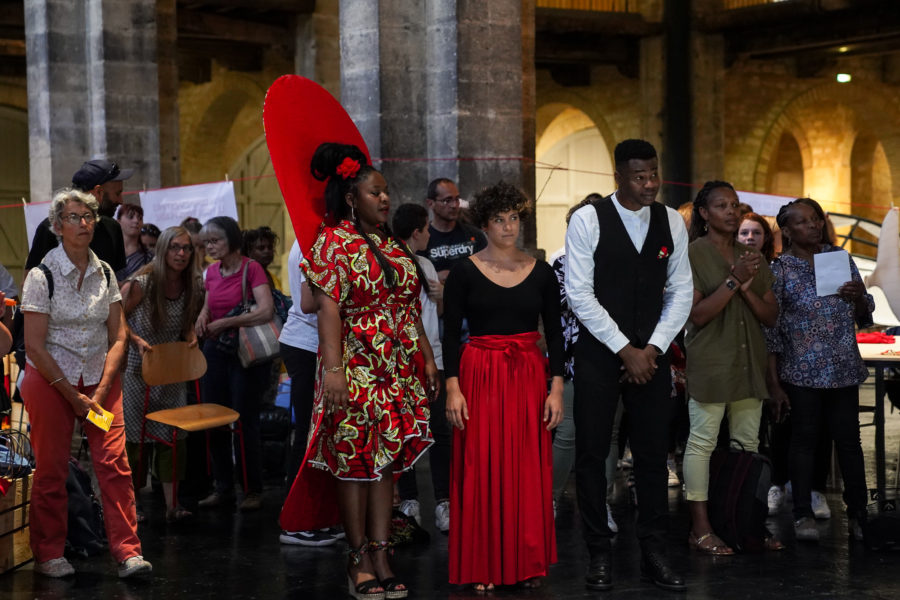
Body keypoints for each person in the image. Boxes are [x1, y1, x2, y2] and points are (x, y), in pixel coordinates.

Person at [280, 143, 438, 600]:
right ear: (352, 197)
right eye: (375, 192)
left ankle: (382, 554)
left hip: (397, 369)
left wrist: (425, 355)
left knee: (384, 462)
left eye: (386, 192)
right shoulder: (333, 241)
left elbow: (406, 306)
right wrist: (332, 371)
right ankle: (356, 561)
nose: (385, 199)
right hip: (355, 368)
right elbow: (327, 310)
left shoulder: (391, 243)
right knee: (354, 465)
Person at [565, 139, 692, 592]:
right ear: (618, 175)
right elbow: (579, 294)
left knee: (654, 456)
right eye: (640, 176)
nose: (650, 184)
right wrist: (626, 349)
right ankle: (598, 552)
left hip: (652, 357)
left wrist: (653, 348)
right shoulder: (588, 219)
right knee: (593, 453)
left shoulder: (671, 220)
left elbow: (680, 290)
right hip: (601, 354)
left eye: (654, 174)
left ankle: (654, 553)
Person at [19, 187, 151, 579]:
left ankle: (128, 552)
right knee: (52, 468)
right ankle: (48, 553)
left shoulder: (106, 272)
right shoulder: (41, 276)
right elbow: (35, 347)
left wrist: (99, 389)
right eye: (74, 217)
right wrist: (73, 397)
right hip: (51, 381)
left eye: (89, 216)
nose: (84, 223)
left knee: (114, 464)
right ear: (57, 226)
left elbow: (118, 335)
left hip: (99, 380)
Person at [444, 181, 564, 590]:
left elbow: (557, 334)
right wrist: (453, 388)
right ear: (485, 224)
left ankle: (527, 561)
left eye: (514, 217)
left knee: (528, 468)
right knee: (481, 466)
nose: (508, 226)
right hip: (479, 373)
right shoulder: (464, 272)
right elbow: (448, 335)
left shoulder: (542, 272)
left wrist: (557, 389)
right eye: (499, 219)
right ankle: (483, 565)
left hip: (529, 373)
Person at [765, 198, 873, 543]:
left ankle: (859, 513)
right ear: (787, 230)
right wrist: (775, 383)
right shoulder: (780, 269)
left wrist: (858, 297)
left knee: (849, 442)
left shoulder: (839, 258)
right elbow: (771, 329)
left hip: (843, 367)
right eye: (804, 222)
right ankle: (801, 513)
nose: (814, 226)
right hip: (802, 371)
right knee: (804, 441)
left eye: (816, 220)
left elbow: (865, 311)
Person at [682, 181, 780, 554]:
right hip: (711, 361)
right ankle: (701, 527)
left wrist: (745, 287)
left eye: (735, 205)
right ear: (704, 214)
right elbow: (697, 316)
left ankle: (745, 522)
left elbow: (770, 316)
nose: (731, 211)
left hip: (748, 362)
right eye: (721, 205)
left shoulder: (753, 255)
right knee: (703, 442)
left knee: (747, 444)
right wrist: (734, 279)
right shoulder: (692, 255)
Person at [120, 226, 202, 523]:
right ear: (164, 249)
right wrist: (135, 339)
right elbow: (114, 315)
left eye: (187, 248)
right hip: (138, 366)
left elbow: (187, 319)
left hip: (171, 367)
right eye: (175, 247)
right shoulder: (143, 283)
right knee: (135, 439)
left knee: (173, 436)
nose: (181, 254)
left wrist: (191, 332)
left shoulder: (192, 283)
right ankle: (132, 505)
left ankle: (172, 505)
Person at [194, 215, 274, 512]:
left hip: (244, 352)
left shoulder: (251, 269)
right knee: (213, 418)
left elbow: (265, 311)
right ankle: (223, 487)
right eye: (206, 243)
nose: (210, 247)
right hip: (215, 349)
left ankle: (252, 489)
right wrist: (204, 316)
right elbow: (209, 303)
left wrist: (227, 321)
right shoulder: (211, 272)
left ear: (233, 240)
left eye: (215, 241)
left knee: (244, 421)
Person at [549, 194, 619, 534]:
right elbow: (567, 303)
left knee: (609, 434)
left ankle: (601, 503)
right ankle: (550, 501)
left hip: (616, 354)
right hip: (575, 357)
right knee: (568, 431)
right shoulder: (562, 263)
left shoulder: (619, 259)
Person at [277, 238, 344, 547]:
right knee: (308, 433)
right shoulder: (313, 240)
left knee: (317, 433)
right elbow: (307, 302)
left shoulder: (318, 237)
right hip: (306, 343)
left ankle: (314, 515)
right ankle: (297, 521)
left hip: (311, 342)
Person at [392, 202, 450, 533]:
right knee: (405, 431)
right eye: (426, 229)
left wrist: (439, 296)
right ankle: (410, 499)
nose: (429, 234)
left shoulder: (426, 264)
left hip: (435, 357)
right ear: (416, 232)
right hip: (405, 360)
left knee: (440, 430)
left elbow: (434, 316)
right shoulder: (392, 262)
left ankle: (443, 501)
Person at [25, 159, 130, 273]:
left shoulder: (113, 229)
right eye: (117, 193)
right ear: (98, 192)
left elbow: (119, 282)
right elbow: (30, 283)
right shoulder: (50, 229)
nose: (121, 201)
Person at [422, 178, 487, 284]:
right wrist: (433, 276)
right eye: (447, 201)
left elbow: (488, 271)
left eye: (457, 199)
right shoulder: (423, 238)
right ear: (430, 203)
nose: (454, 205)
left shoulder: (474, 235)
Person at [116, 203, 152, 282]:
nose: (136, 221)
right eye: (130, 217)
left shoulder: (149, 256)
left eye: (140, 218)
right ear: (118, 221)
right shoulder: (110, 253)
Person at [242, 226, 282, 291]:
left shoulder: (274, 279)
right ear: (249, 252)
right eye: (261, 248)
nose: (267, 251)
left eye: (270, 247)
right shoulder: (245, 278)